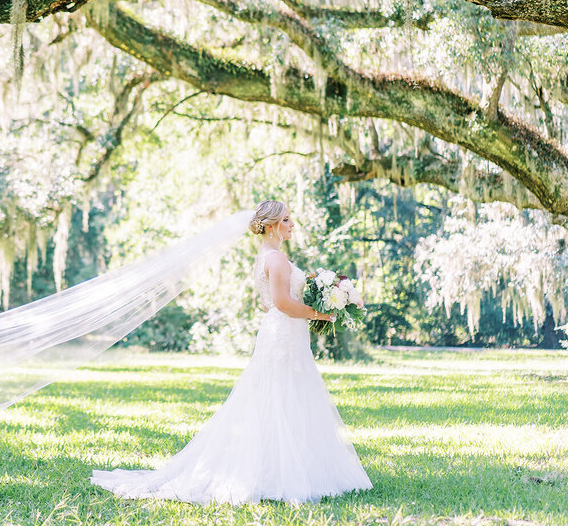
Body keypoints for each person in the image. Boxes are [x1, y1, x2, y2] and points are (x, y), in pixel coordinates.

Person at [91, 200, 372, 504]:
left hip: (283, 331)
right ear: (272, 225)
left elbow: (267, 304)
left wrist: (319, 303)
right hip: (283, 334)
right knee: (279, 394)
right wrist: (321, 315)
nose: (292, 225)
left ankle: (285, 466)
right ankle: (275, 472)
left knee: (284, 393)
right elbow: (282, 304)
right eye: (287, 220)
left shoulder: (267, 256)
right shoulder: (276, 259)